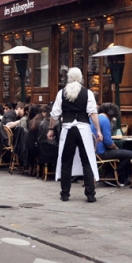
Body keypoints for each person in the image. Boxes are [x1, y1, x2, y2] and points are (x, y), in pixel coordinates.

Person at [47, 67, 102, 203]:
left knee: (66, 162)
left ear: (68, 78)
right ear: (81, 77)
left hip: (68, 129)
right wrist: (98, 130)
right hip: (83, 129)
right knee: (87, 161)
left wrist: (50, 129)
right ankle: (90, 194)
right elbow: (93, 113)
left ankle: (65, 193)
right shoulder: (88, 93)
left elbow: (54, 114)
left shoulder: (61, 93)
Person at [92, 103, 132, 186]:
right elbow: (108, 142)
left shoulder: (93, 118)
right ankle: (112, 175)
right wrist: (115, 147)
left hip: (92, 152)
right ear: (112, 114)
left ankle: (110, 175)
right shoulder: (105, 120)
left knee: (117, 153)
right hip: (101, 153)